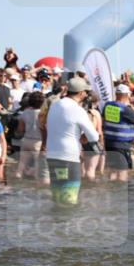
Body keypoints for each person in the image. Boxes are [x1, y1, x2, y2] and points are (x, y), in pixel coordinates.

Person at [45, 77, 99, 205]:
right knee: (69, 198)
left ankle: (55, 222)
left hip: (52, 155)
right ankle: (68, 224)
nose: (86, 95)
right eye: (86, 92)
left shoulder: (55, 104)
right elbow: (94, 136)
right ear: (81, 93)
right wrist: (83, 136)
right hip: (68, 158)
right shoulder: (77, 110)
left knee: (57, 196)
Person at [102, 84, 134, 181]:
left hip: (109, 143)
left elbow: (103, 119)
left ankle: (111, 192)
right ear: (126, 95)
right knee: (122, 172)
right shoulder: (127, 109)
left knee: (112, 171)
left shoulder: (108, 106)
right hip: (122, 145)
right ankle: (121, 192)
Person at [15, 91, 46, 182]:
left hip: (26, 140)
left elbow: (20, 129)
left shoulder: (25, 112)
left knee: (21, 164)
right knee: (38, 167)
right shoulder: (43, 113)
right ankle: (36, 188)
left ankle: (18, 178)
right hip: (38, 142)